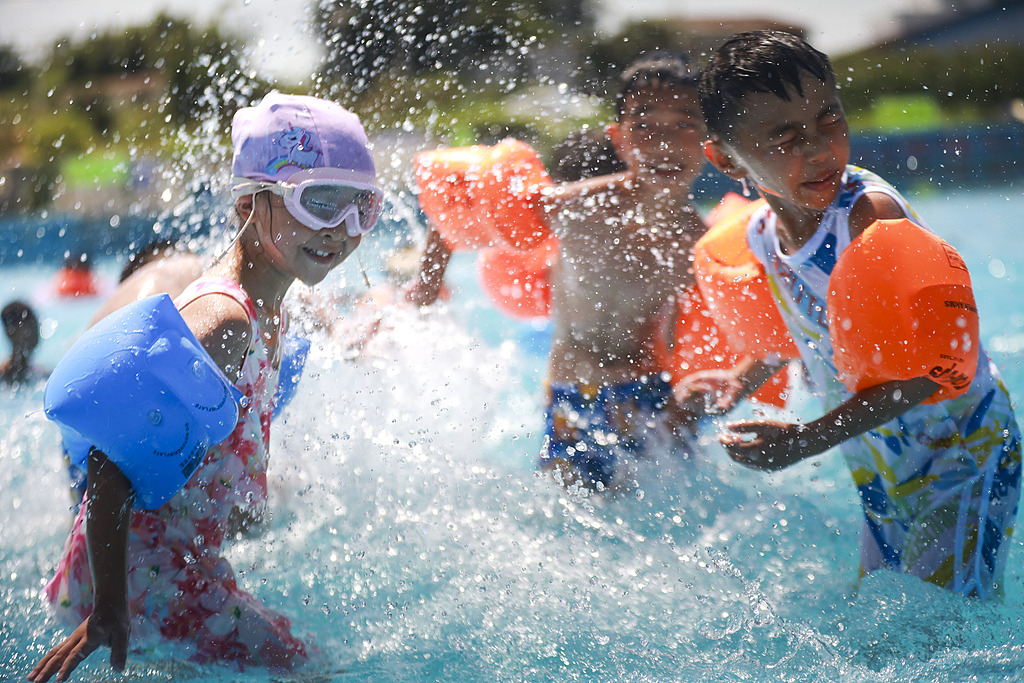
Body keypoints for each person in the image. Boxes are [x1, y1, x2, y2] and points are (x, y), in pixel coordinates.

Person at [30, 92, 383, 681]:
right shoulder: (225, 321)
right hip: (145, 581)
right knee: (315, 672)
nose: (341, 230)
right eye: (320, 202)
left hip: (165, 568)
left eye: (361, 208)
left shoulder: (272, 309)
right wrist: (109, 609)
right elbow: (110, 461)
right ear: (250, 201)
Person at [685, 30, 1021, 598]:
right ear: (724, 157)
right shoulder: (763, 237)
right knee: (881, 626)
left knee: (935, 630)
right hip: (880, 468)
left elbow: (920, 373)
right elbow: (814, 330)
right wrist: (741, 379)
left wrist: (805, 441)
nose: (819, 150)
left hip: (965, 455)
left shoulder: (870, 217)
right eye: (787, 137)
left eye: (829, 120)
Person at [408, 53, 710, 491]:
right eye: (645, 125)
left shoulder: (698, 243)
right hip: (577, 391)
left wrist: (688, 407)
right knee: (577, 509)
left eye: (684, 124)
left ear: (710, 142)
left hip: (652, 393)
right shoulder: (581, 206)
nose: (663, 141)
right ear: (620, 140)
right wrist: (427, 288)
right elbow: (465, 211)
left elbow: (699, 330)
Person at [1, 300, 43, 384]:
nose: (35, 331)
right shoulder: (2, 376)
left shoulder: (40, 375)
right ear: (10, 332)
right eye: (29, 326)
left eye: (35, 324)